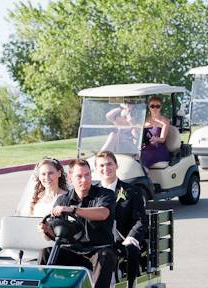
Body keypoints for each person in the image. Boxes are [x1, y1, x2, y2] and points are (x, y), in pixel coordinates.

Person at [0, 157, 67, 264]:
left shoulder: (65, 197)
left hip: (49, 240)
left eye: (50, 173)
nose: (47, 177)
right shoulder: (37, 197)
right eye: (43, 174)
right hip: (28, 235)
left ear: (59, 173)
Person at [38, 159, 117, 288]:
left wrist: (74, 210)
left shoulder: (105, 194)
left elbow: (103, 213)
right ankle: (45, 286)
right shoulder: (63, 200)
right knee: (46, 252)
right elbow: (54, 234)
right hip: (73, 251)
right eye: (79, 176)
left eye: (87, 175)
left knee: (105, 255)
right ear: (70, 177)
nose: (84, 180)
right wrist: (46, 230)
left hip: (97, 250)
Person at [95, 151, 146, 288]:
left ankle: (130, 284)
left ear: (116, 165)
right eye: (101, 165)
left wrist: (131, 238)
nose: (106, 168)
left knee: (131, 249)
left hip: (122, 240)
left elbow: (140, 220)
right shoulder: (93, 192)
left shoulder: (132, 191)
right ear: (96, 169)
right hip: (98, 242)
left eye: (109, 164)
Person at [141, 96, 171, 167]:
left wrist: (155, 139)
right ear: (149, 107)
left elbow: (162, 139)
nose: (155, 108)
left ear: (161, 107)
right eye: (152, 106)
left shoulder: (164, 121)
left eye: (157, 106)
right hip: (145, 147)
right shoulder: (144, 120)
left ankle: (145, 176)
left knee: (143, 158)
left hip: (158, 149)